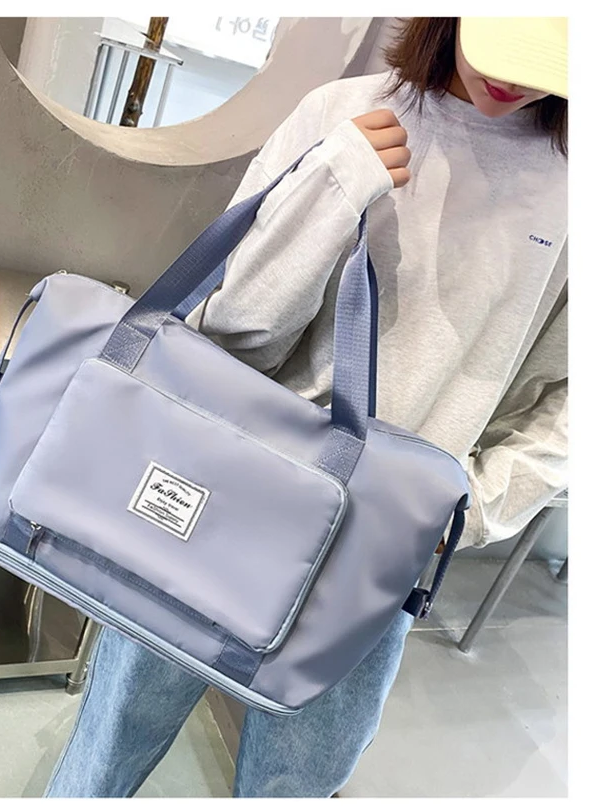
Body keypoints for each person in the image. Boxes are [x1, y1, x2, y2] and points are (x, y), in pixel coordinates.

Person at [43, 17, 568, 798]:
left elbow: (569, 402)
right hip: (226, 492)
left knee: (297, 782)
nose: (517, 80)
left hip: (384, 547)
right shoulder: (340, 114)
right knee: (111, 741)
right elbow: (231, 338)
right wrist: (334, 185)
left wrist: (473, 508)